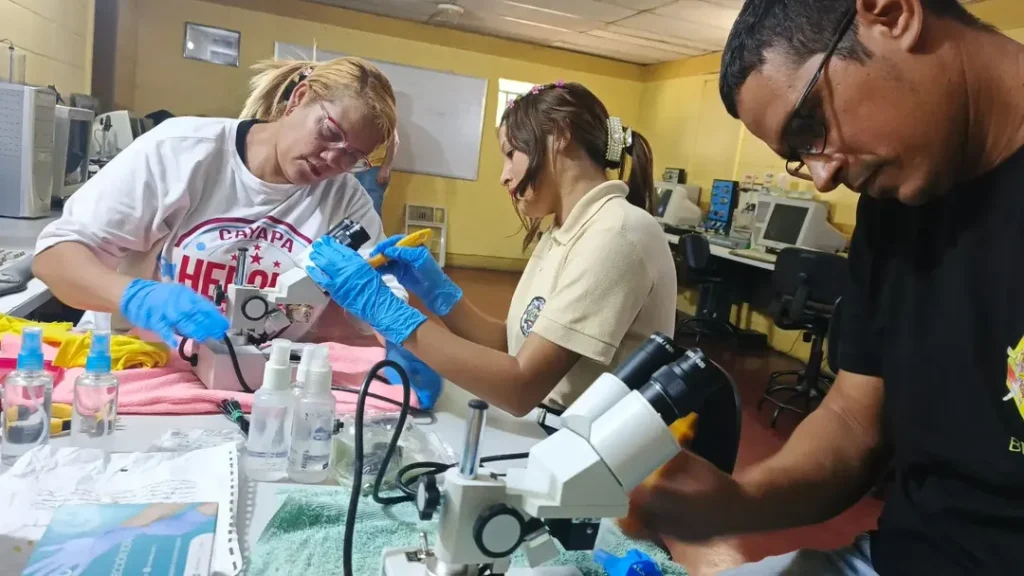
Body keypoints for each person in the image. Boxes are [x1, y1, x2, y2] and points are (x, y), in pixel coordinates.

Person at [623, 1, 1024, 575]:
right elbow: (855, 422)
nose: (822, 175)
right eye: (797, 157)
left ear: (891, 15)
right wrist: (738, 502)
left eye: (810, 126)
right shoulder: (896, 204)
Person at [300, 81, 677, 417]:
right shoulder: (568, 229)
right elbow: (513, 343)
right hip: (552, 422)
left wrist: (386, 311)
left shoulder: (614, 233)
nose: (504, 176)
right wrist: (437, 293)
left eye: (511, 154)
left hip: (580, 443)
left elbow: (520, 386)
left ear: (560, 135)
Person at [32, 57, 406, 347]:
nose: (334, 161)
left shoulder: (346, 199)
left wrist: (403, 337)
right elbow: (55, 256)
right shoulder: (180, 152)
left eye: (353, 156)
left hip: (262, 382)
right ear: (299, 98)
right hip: (145, 361)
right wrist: (136, 296)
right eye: (329, 133)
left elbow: (380, 292)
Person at [354, 128, 399, 216]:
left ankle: (374, 230)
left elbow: (394, 142)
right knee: (359, 210)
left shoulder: (385, 117)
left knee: (372, 209)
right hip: (361, 168)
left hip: (375, 168)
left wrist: (386, 168)